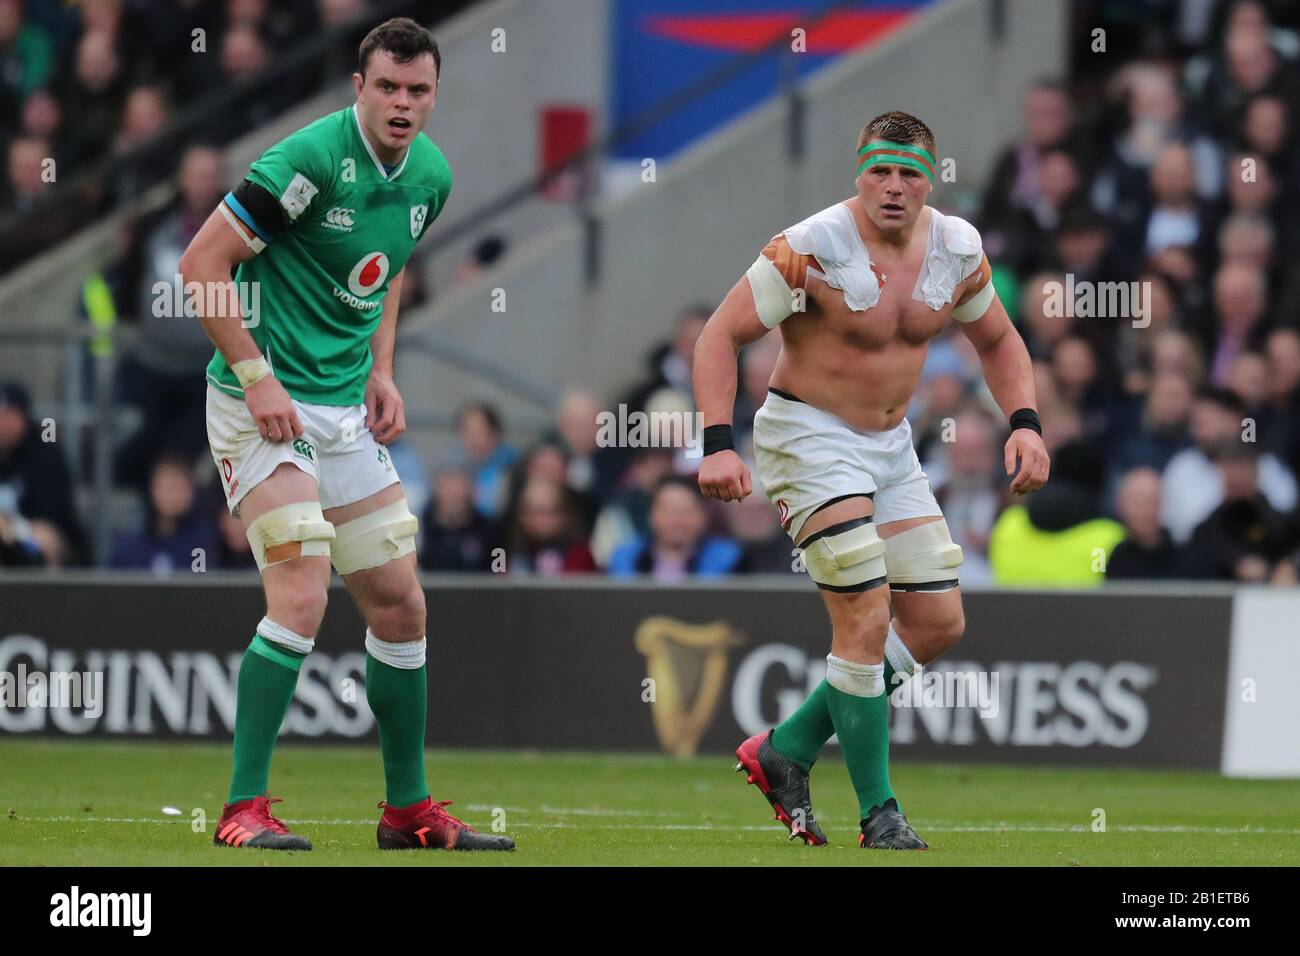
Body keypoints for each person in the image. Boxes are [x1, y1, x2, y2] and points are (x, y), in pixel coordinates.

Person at [178, 18, 512, 853]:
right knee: (302, 586)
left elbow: (386, 269)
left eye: (419, 91)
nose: (403, 104)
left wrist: (382, 368)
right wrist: (257, 379)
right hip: (259, 399)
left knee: (401, 604)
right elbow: (200, 266)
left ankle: (407, 812)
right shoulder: (306, 163)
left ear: (435, 95)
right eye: (388, 88)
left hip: (340, 406)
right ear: (358, 89)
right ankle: (242, 809)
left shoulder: (429, 174)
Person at [693, 111, 1049, 849]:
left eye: (910, 173)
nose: (893, 186)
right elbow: (719, 335)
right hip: (806, 437)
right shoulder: (809, 246)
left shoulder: (957, 249)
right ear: (858, 172)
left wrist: (1025, 421)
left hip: (889, 445)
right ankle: (879, 814)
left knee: (938, 623)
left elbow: (999, 338)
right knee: (864, 617)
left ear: (931, 179)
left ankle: (785, 747)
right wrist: (718, 443)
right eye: (880, 171)